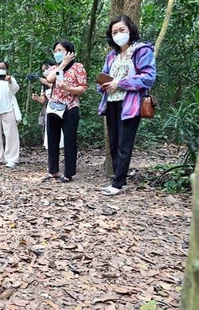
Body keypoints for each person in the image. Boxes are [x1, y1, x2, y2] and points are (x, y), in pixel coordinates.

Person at [98, 15, 156, 196]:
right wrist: (103, 84)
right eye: (114, 32)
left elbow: (148, 77)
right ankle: (118, 178)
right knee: (114, 143)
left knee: (125, 143)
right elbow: (103, 76)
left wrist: (120, 83)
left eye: (122, 30)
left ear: (130, 30)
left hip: (130, 104)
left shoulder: (142, 51)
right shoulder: (112, 55)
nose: (118, 34)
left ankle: (117, 183)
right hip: (111, 102)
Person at [44, 40, 87, 183]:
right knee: (52, 139)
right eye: (55, 50)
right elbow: (49, 79)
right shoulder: (55, 68)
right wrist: (62, 64)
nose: (57, 53)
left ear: (69, 52)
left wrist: (68, 89)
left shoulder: (78, 67)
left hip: (70, 107)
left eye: (60, 50)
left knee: (69, 140)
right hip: (54, 107)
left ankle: (69, 173)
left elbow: (82, 88)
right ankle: (53, 170)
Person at [0, 61, 20, 168]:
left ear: (7, 69)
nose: (1, 69)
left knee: (11, 135)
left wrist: (10, 81)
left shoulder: (11, 79)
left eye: (3, 67)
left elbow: (15, 90)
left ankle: (12, 159)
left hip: (8, 109)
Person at [32, 60, 64, 150]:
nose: (45, 71)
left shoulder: (59, 74)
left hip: (62, 107)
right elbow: (43, 100)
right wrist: (37, 98)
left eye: (47, 68)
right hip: (50, 108)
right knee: (51, 130)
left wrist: (48, 83)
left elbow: (62, 89)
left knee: (61, 131)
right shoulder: (44, 85)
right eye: (43, 70)